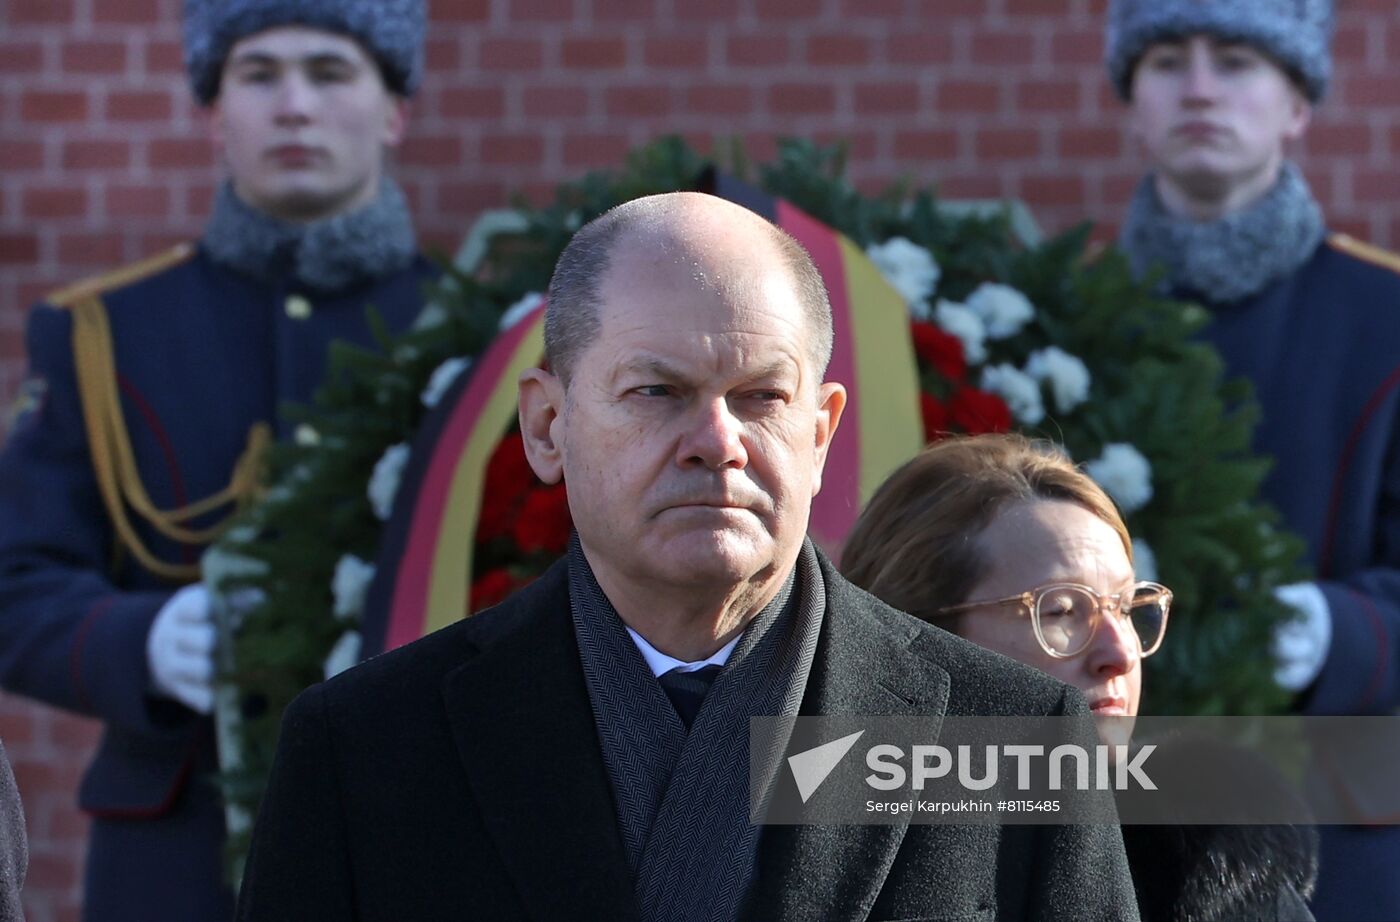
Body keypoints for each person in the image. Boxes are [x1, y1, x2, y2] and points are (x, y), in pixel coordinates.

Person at [234, 192, 1139, 920]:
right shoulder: (369, 749)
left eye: (760, 397)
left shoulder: (1014, 738)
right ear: (548, 425)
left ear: (821, 432)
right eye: (657, 391)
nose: (718, 441)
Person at [0, 0, 431, 918]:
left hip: (416, 828)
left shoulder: (478, 332)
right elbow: (12, 578)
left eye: (329, 72)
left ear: (394, 109)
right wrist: (140, 641)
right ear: (213, 111)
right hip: (173, 852)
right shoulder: (104, 334)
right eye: (259, 73)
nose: (294, 106)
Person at [1104, 2, 1400, 917]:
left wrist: (1334, 627)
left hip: (1343, 830)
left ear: (1297, 104)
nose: (1198, 87)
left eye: (1235, 60)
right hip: (1101, 826)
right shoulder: (1064, 313)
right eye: (1165, 62)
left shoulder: (1384, 321)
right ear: (1132, 101)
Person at [841, 433, 1320, 921]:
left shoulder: (1210, 874)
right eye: (1063, 612)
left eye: (1127, 607)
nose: (1118, 654)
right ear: (918, 638)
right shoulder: (810, 860)